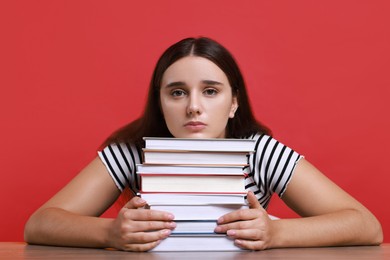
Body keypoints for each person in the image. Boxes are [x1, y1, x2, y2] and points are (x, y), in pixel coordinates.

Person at [24, 37, 383, 252]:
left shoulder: (257, 152)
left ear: (233, 103)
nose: (193, 106)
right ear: (159, 101)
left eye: (210, 91)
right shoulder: (132, 153)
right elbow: (40, 224)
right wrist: (110, 232)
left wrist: (277, 231)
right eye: (177, 92)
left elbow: (366, 227)